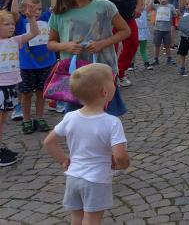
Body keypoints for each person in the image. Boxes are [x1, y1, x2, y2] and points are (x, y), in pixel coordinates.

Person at [43, 63, 130, 224]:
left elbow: (49, 142)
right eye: (112, 82)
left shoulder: (70, 117)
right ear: (104, 92)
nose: (115, 85)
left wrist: (63, 160)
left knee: (77, 217)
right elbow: (119, 155)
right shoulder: (112, 122)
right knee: (92, 219)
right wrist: (124, 164)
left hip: (73, 177)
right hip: (97, 180)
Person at [47, 0, 131, 117]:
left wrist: (102, 43)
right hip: (75, 77)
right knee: (76, 120)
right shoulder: (59, 12)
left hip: (103, 72)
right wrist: (65, 46)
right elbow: (51, 43)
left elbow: (125, 31)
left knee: (107, 119)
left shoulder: (105, 6)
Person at [93, 0, 144, 87]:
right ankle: (110, 76)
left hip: (129, 16)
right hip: (110, 19)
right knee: (111, 48)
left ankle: (120, 72)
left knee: (133, 44)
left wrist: (139, 6)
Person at [11, 0, 57, 135]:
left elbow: (55, 7)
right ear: (24, 9)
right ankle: (26, 119)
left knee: (41, 93)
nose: (36, 12)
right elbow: (13, 13)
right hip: (27, 65)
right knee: (26, 94)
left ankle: (39, 117)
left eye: (39, 9)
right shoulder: (21, 22)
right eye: (32, 8)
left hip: (46, 63)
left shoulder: (46, 18)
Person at [0, 9, 41, 165]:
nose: (11, 27)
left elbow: (35, 32)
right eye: (6, 24)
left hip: (11, 86)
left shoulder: (15, 41)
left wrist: (31, 18)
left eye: (12, 24)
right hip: (0, 87)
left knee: (3, 119)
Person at [148, 0, 177, 69]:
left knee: (167, 45)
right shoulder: (157, 6)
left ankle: (169, 58)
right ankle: (156, 59)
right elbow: (150, 5)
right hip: (158, 30)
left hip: (167, 30)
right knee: (157, 45)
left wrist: (176, 13)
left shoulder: (171, 6)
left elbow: (175, 14)